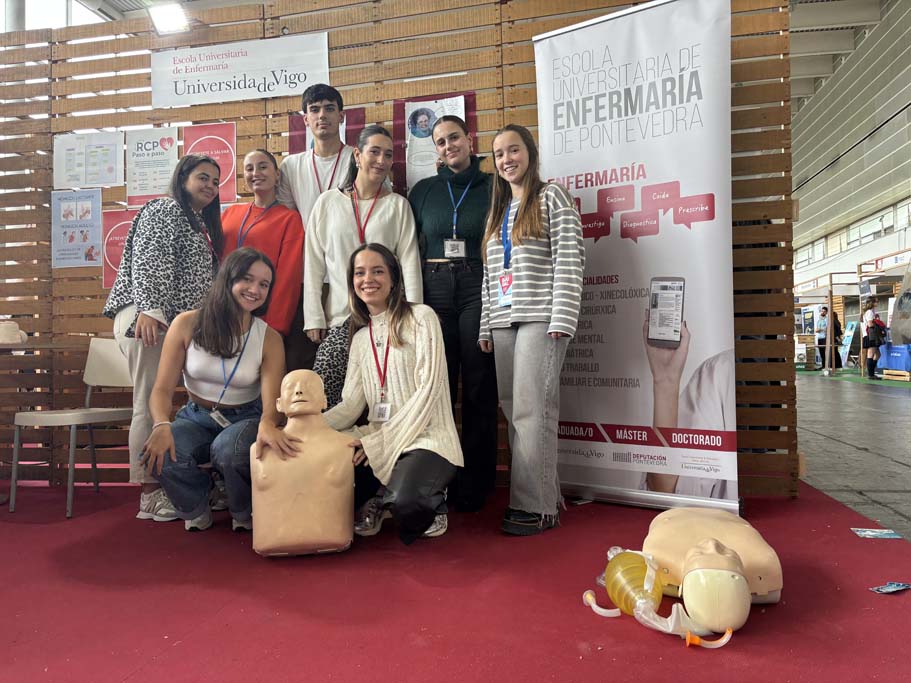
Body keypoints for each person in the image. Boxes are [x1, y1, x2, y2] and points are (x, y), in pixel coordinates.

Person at [140, 248, 297, 532]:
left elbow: (273, 403)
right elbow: (161, 389)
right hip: (196, 416)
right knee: (158, 453)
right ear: (228, 279)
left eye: (264, 284)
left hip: (246, 416)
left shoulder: (269, 338)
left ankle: (242, 510)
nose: (255, 290)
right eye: (247, 279)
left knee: (229, 451)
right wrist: (161, 424)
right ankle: (199, 503)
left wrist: (268, 424)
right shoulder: (186, 324)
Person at [103, 154, 223, 523]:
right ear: (182, 177)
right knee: (148, 403)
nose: (210, 186)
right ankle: (149, 492)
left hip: (174, 326)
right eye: (203, 177)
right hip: (149, 320)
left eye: (215, 181)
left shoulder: (197, 222)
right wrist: (151, 309)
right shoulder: (165, 208)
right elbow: (149, 258)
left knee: (168, 402)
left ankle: (175, 483)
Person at [478, 124, 585, 535]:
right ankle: (545, 496)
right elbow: (490, 276)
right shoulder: (499, 211)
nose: (507, 159)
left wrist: (563, 317)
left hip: (541, 317)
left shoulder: (551, 196)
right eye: (499, 154)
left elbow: (570, 259)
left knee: (532, 411)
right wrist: (486, 324)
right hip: (504, 320)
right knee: (514, 411)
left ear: (530, 153)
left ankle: (535, 507)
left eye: (514, 150)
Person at [324, 243, 462, 544]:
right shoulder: (361, 338)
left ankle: (429, 502)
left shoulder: (422, 317)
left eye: (377, 271)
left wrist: (380, 441)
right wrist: (305, 427)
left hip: (425, 438)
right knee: (325, 475)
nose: (367, 279)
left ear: (394, 279)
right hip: (380, 437)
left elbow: (428, 392)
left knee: (406, 504)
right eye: (359, 273)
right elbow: (350, 405)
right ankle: (380, 494)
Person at [408, 115, 498, 511]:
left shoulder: (494, 186)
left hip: (477, 283)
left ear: (469, 139)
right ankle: (437, 481)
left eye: (454, 138)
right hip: (434, 287)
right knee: (438, 387)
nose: (449, 146)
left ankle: (477, 486)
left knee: (479, 385)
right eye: (441, 142)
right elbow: (408, 244)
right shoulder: (423, 190)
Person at [304, 125, 422, 408]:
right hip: (339, 318)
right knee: (329, 401)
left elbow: (409, 263)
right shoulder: (327, 203)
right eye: (374, 152)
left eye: (388, 154)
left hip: (388, 320)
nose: (381, 160)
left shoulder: (398, 206)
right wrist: (314, 317)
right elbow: (313, 264)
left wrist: (414, 318)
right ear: (357, 155)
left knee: (387, 400)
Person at [276, 83, 354, 372]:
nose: (322, 115)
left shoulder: (358, 159)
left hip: (347, 271)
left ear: (341, 116)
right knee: (300, 360)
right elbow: (287, 220)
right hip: (306, 274)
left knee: (347, 359)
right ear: (305, 119)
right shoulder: (291, 166)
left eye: (330, 109)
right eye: (315, 109)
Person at [221, 149, 303, 340]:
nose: (256, 173)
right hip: (223, 314)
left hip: (261, 318)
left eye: (263, 167)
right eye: (249, 169)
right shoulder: (230, 213)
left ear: (277, 175)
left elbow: (287, 278)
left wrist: (274, 328)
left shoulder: (289, 219)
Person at [862, 297, 882, 379]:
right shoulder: (869, 312)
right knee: (871, 354)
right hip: (870, 335)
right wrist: (878, 324)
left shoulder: (866, 312)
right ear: (872, 303)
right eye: (876, 302)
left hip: (868, 335)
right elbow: (870, 324)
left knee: (877, 354)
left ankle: (871, 373)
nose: (877, 303)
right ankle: (871, 374)